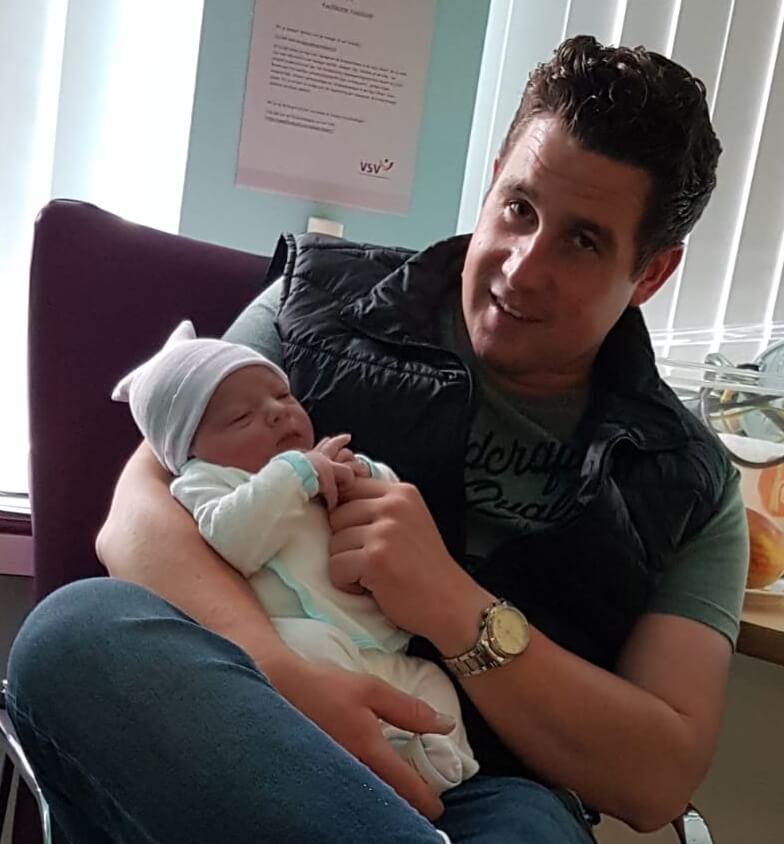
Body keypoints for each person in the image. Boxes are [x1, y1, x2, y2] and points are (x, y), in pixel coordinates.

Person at [6, 34, 749, 844]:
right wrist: (283, 676)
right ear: (493, 176)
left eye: (582, 241)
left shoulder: (692, 482)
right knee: (74, 634)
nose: (522, 269)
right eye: (519, 208)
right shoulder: (314, 304)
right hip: (245, 713)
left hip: (474, 790)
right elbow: (137, 511)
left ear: (651, 273)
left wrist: (452, 605)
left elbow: (657, 777)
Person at [110, 318, 479, 798]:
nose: (276, 414)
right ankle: (357, 768)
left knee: (432, 685)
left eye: (283, 396)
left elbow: (391, 505)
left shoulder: (319, 459)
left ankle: (433, 770)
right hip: (305, 646)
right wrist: (295, 472)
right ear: (190, 450)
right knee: (311, 646)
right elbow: (234, 539)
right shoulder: (207, 482)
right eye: (242, 417)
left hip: (380, 651)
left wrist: (365, 474)